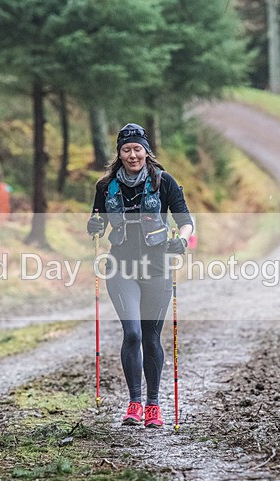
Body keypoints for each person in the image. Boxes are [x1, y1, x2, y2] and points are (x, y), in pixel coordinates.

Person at [87, 123, 193, 428]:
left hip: (157, 269)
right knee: (132, 333)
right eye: (126, 149)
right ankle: (134, 403)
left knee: (150, 337)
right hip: (120, 268)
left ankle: (153, 406)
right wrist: (93, 227)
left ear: (146, 150)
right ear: (119, 154)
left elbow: (186, 221)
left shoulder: (164, 182)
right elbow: (97, 221)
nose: (132, 154)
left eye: (137, 148)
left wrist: (181, 240)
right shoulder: (106, 187)